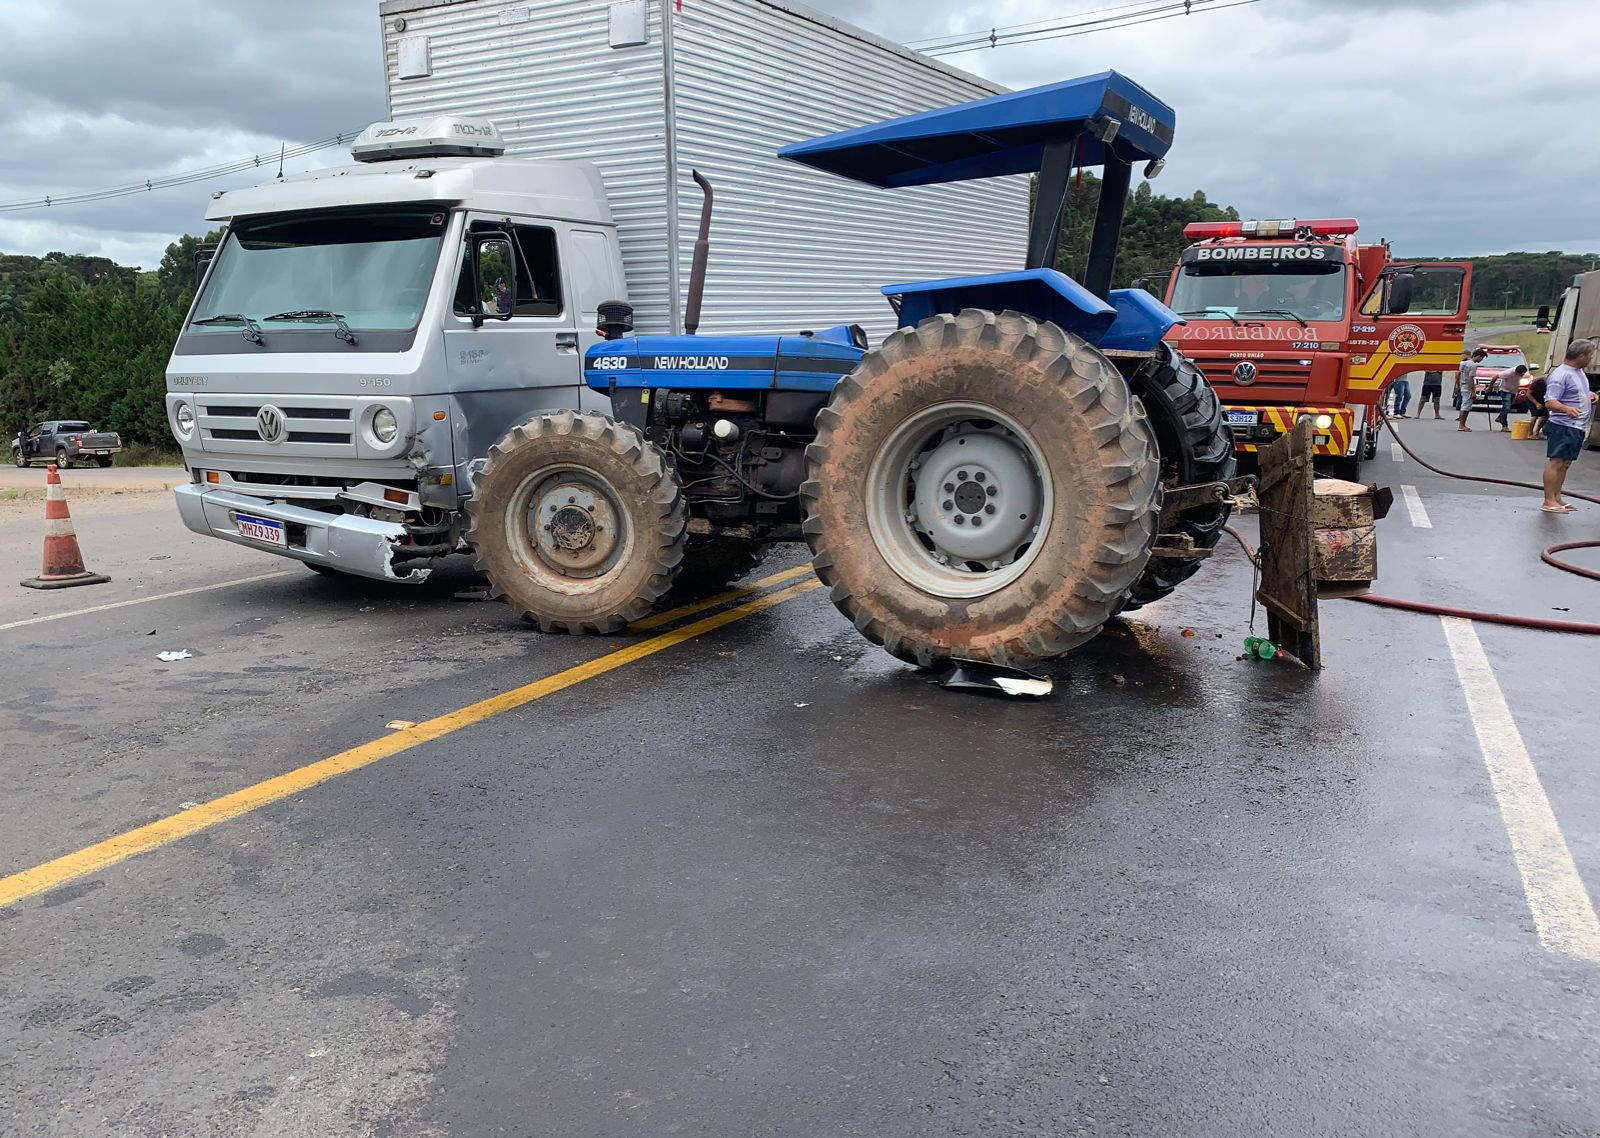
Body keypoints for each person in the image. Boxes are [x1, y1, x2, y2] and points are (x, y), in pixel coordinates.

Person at [1540, 339, 1597, 513]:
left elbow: (1575, 391)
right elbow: (1550, 401)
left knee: (1565, 463)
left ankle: (1557, 497)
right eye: (1590, 355)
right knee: (1556, 461)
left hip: (1576, 426)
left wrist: (1589, 395)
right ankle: (1548, 500)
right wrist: (1565, 409)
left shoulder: (1577, 372)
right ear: (1581, 356)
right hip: (1564, 425)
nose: (1592, 359)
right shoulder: (1560, 374)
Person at [1455, 347, 1486, 431]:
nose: (1481, 360)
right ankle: (1461, 425)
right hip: (1468, 387)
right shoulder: (1473, 365)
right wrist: (1473, 392)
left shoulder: (1463, 363)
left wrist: (1458, 385)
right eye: (1482, 358)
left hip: (1462, 385)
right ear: (1478, 356)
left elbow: (1457, 374)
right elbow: (1470, 379)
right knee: (1466, 407)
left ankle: (1462, 425)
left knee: (1464, 405)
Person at [1495, 364, 1528, 431]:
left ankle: (1500, 417)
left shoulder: (1522, 372)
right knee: (1507, 407)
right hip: (1505, 390)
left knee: (1509, 405)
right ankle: (1504, 425)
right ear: (1516, 372)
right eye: (1520, 374)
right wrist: (1490, 387)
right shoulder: (1508, 373)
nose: (1522, 375)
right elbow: (1495, 377)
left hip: (1513, 390)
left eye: (1523, 374)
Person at [1528, 372, 1549, 439]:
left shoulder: (1553, 384)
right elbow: (1528, 394)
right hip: (1531, 399)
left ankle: (1536, 432)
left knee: (1545, 416)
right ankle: (1529, 433)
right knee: (1535, 415)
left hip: (1542, 399)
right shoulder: (1537, 382)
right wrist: (1536, 403)